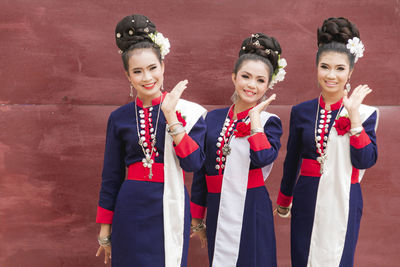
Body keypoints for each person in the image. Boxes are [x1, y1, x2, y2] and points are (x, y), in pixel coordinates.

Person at [95, 14, 207, 267]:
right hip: (130, 209)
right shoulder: (119, 118)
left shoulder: (187, 112)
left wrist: (171, 116)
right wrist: (105, 229)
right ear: (128, 76)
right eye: (138, 71)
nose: (147, 77)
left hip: (169, 206)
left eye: (152, 68)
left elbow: (193, 163)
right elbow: (111, 176)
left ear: (163, 66)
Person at [276, 17, 378, 267]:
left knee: (339, 257)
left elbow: (365, 160)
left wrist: (354, 119)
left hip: (345, 195)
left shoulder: (365, 113)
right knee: (303, 257)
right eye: (325, 67)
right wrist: (284, 200)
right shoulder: (301, 111)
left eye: (340, 68)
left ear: (350, 72)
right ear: (316, 67)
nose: (331, 75)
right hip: (307, 195)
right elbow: (292, 160)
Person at [190, 33, 285, 267]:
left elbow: (263, 157)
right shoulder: (211, 119)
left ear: (268, 85)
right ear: (234, 77)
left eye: (260, 80)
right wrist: (197, 219)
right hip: (217, 205)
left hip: (252, 207)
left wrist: (254, 122)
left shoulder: (269, 121)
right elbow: (201, 173)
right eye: (246, 76)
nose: (252, 85)